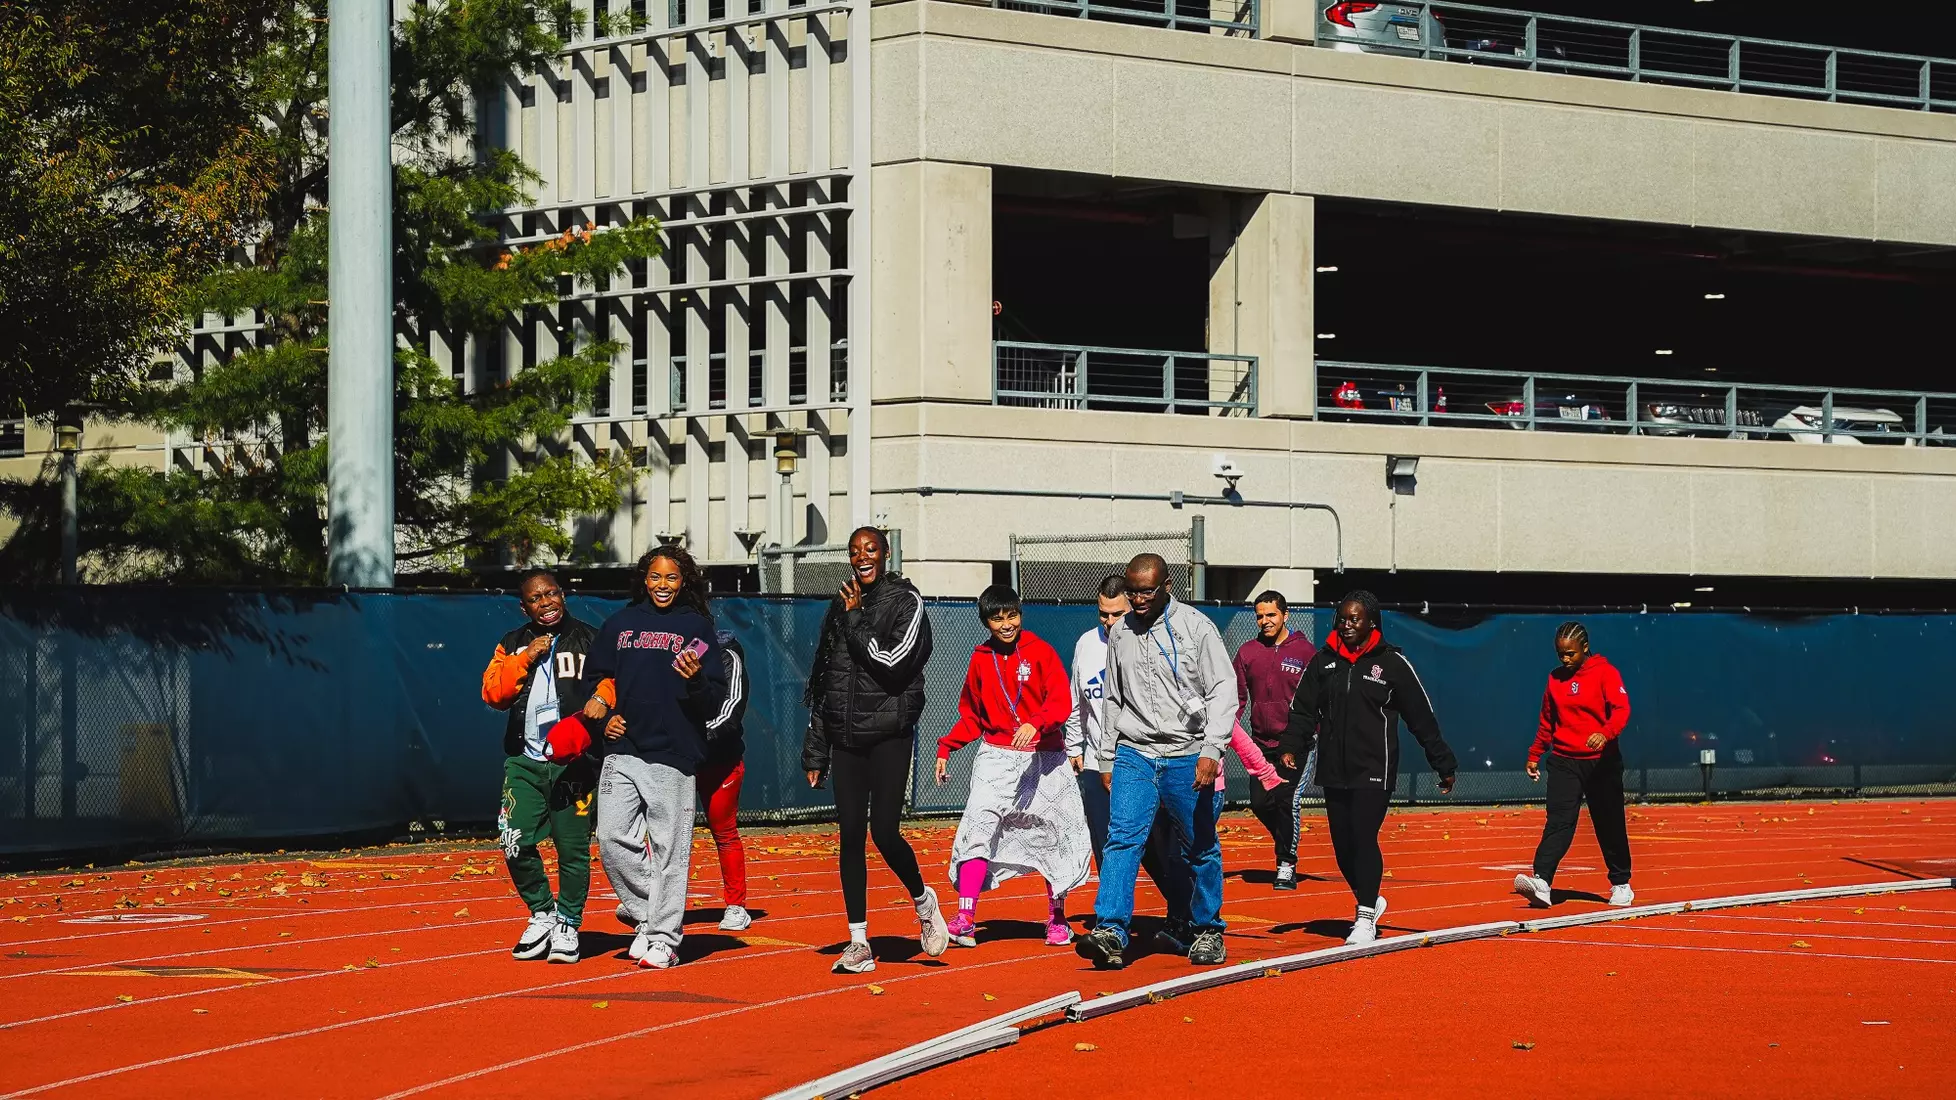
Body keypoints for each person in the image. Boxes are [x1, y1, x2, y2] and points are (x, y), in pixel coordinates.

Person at [1074, 553, 1239, 971]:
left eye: (1147, 590)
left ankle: (1207, 930)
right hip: (1135, 752)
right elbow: (1114, 697)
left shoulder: (1197, 628)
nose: (1138, 599)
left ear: (1168, 586)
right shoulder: (1122, 634)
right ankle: (1110, 929)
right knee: (1123, 839)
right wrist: (1107, 756)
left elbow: (1223, 691)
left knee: (1199, 844)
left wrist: (1212, 750)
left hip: (1187, 752)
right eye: (1132, 591)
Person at [801, 526, 951, 974]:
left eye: (870, 549)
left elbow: (892, 663)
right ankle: (859, 941)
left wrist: (854, 621)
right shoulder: (842, 602)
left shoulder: (906, 602)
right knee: (850, 836)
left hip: (888, 735)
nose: (861, 557)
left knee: (884, 832)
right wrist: (817, 749)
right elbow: (827, 679)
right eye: (854, 551)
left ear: (885, 554)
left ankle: (924, 903)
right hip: (846, 740)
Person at [580, 544, 730, 970]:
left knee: (669, 850)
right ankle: (649, 914)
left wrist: (698, 678)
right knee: (610, 839)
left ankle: (664, 936)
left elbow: (713, 698)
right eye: (655, 577)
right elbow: (597, 679)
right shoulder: (621, 623)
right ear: (644, 579)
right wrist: (604, 715)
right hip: (622, 749)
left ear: (683, 582)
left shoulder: (697, 629)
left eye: (672, 578)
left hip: (674, 752)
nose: (663, 586)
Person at [1281, 590, 1457, 945]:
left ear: (1371, 623)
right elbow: (1303, 710)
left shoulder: (1391, 664)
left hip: (1375, 767)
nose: (1346, 625)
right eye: (1342, 618)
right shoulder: (1323, 661)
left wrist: (1442, 762)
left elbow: (1420, 717)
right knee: (1343, 846)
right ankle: (1371, 897)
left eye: (1354, 619)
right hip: (1333, 767)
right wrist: (1290, 746)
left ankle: (1363, 917)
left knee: (1363, 837)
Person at [933, 585, 1091, 948]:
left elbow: (1060, 702)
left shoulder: (1041, 652)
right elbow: (972, 716)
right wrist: (946, 747)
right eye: (997, 618)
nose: (1006, 624)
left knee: (1054, 835)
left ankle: (1057, 918)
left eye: (1012, 616)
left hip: (1045, 757)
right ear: (985, 621)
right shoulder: (979, 659)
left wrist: (1036, 722)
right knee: (978, 823)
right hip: (996, 756)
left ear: (1020, 614)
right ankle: (965, 918)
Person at [1066, 575, 1197, 955]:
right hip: (1097, 761)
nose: (1109, 621)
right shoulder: (1087, 645)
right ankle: (1113, 930)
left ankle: (1183, 914)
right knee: (1109, 846)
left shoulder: (1151, 638)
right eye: (1103, 614)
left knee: (1159, 847)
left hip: (1144, 759)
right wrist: (1076, 746)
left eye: (1116, 613)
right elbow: (1079, 699)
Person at [480, 570, 600, 964]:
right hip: (524, 760)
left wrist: (601, 702)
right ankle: (542, 913)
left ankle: (568, 922)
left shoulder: (589, 638)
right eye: (536, 598)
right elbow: (493, 694)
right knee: (514, 839)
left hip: (574, 764)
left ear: (563, 596)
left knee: (572, 848)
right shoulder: (511, 642)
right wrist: (526, 656)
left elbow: (613, 682)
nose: (545, 602)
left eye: (551, 594)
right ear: (524, 606)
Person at [1515, 621, 1635, 909]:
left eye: (1570, 653)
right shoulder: (1554, 679)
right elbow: (1547, 720)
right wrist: (1535, 753)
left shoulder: (1606, 672)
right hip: (1564, 760)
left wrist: (1604, 733)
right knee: (1559, 822)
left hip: (1601, 763)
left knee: (1608, 822)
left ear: (1584, 647)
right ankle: (1542, 881)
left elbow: (1621, 710)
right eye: (1561, 654)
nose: (1565, 659)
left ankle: (1621, 883)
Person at [1232, 590, 1318, 890]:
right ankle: (1286, 835)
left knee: (1287, 801)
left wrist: (1315, 732)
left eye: (1271, 615)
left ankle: (1286, 863)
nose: (1265, 621)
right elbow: (1237, 699)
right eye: (1260, 616)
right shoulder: (1247, 652)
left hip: (1296, 743)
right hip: (1259, 743)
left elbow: (1317, 699)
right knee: (1259, 802)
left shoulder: (1306, 651)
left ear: (1285, 614)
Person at [699, 628, 754, 931]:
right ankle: (648, 901)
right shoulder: (669, 648)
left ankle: (736, 906)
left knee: (724, 831)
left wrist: (693, 738)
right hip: (678, 760)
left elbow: (730, 711)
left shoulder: (727, 656)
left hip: (720, 761)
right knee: (663, 832)